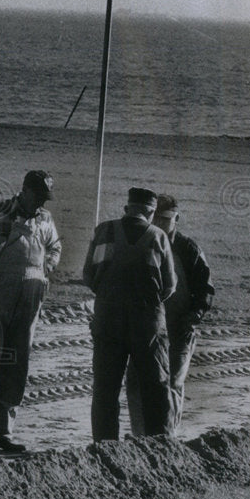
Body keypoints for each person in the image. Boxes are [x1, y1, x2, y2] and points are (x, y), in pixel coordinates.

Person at [0, 170, 61, 454]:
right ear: (25, 190)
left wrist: (48, 267)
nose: (40, 204)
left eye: (45, 199)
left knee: (16, 367)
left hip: (29, 302)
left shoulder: (45, 220)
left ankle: (2, 433)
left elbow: (54, 247)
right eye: (38, 197)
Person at [82, 187, 177, 441]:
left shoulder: (104, 231)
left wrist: (109, 297)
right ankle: (159, 443)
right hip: (146, 323)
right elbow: (169, 286)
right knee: (155, 387)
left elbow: (88, 276)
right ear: (151, 211)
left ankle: (104, 446)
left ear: (127, 208)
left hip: (108, 320)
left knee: (105, 388)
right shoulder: (158, 237)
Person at [125, 194, 214, 436]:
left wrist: (192, 317)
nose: (162, 224)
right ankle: (140, 437)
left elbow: (205, 290)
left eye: (167, 219)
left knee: (172, 384)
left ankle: (168, 440)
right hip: (147, 326)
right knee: (136, 383)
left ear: (177, 218)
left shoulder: (188, 250)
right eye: (158, 218)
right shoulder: (145, 243)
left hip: (178, 327)